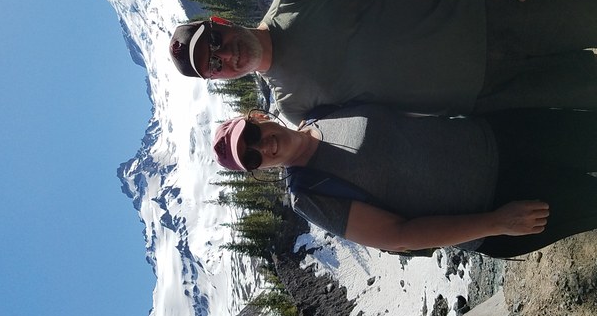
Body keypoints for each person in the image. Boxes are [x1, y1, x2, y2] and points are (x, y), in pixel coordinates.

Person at [169, 0, 597, 124]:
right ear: (217, 79)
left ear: (220, 21)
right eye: (213, 65)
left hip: (488, 15)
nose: (225, 56)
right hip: (489, 94)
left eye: (214, 43)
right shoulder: (295, 109)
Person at [212, 104, 597, 258]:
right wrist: (497, 222)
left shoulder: (320, 111)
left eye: (252, 134)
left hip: (500, 135)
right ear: (259, 170)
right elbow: (399, 236)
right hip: (499, 204)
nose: (262, 147)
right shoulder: (308, 194)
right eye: (252, 158)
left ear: (258, 117)